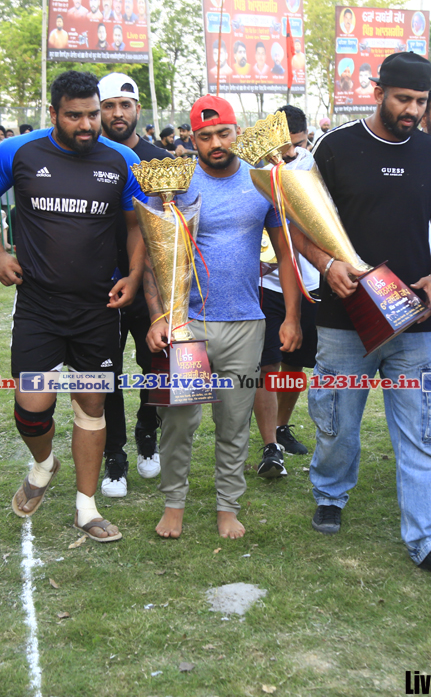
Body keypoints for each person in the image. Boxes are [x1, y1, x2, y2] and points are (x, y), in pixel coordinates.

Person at [286, 52, 431, 578]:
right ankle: (330, 492)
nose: (412, 110)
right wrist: (328, 265)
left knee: (421, 432)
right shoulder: (335, 147)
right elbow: (298, 224)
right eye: (403, 99)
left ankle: (429, 539)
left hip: (413, 318)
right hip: (345, 319)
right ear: (377, 91)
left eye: (420, 102)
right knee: (337, 423)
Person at [0, 71, 145, 543]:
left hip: (97, 310)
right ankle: (44, 464)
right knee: (32, 409)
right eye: (74, 116)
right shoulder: (19, 152)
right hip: (39, 308)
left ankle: (87, 507)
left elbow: (136, 225)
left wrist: (133, 275)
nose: (87, 125)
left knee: (91, 405)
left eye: (93, 114)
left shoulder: (122, 159)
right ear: (53, 113)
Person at [145, 94, 300, 539]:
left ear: (237, 132)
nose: (215, 143)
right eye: (204, 136)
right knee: (179, 420)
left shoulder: (260, 180)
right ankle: (174, 503)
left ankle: (227, 507)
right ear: (193, 139)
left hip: (246, 324)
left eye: (223, 133)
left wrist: (291, 315)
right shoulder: (178, 182)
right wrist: (158, 317)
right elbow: (156, 256)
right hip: (188, 322)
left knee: (234, 420)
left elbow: (286, 253)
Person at [95, 73, 166, 498]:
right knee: (105, 374)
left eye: (125, 105)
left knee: (155, 367)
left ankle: (147, 431)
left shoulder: (162, 160)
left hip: (153, 287)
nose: (117, 113)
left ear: (138, 109)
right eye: (109, 105)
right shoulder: (86, 156)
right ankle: (114, 455)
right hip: (99, 288)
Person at [252, 104, 319, 477]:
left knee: (295, 361)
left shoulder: (314, 166)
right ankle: (269, 444)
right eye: (283, 146)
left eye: (298, 144)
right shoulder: (255, 169)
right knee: (267, 362)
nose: (290, 152)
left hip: (309, 282)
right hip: (266, 283)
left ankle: (281, 425)